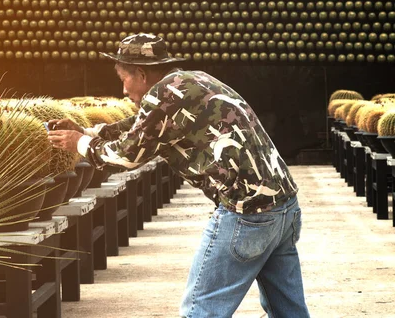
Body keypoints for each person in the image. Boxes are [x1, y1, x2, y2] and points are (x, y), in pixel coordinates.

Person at [47, 33, 310, 318]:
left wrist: (80, 143)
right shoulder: (192, 80)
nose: (123, 90)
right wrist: (89, 132)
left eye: (124, 79)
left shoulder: (164, 94)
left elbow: (126, 157)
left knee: (201, 309)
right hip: (285, 207)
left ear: (141, 74)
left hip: (248, 213)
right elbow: (143, 126)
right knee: (289, 311)